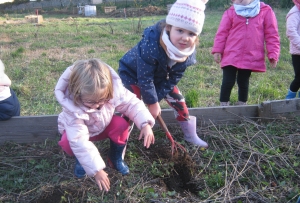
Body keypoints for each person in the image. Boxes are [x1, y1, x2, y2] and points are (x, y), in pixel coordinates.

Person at [118, 0, 209, 149]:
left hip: (159, 78)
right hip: (133, 74)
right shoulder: (152, 45)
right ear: (168, 27)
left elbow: (172, 79)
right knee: (130, 106)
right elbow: (144, 78)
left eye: (191, 33)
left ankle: (190, 135)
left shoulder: (187, 56)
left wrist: (155, 99)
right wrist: (152, 103)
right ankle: (120, 143)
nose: (185, 38)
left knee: (178, 100)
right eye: (180, 30)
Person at [55, 58, 155, 192]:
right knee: (68, 142)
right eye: (91, 102)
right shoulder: (72, 109)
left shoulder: (112, 91)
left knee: (121, 124)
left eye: (102, 100)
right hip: (80, 133)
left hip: (102, 125)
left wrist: (145, 124)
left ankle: (115, 158)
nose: (97, 105)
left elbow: (132, 104)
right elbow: (79, 141)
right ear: (77, 94)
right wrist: (97, 170)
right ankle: (82, 161)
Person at [212, 0, 280, 106]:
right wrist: (217, 50)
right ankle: (223, 106)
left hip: (251, 55)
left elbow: (271, 34)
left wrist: (273, 53)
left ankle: (242, 105)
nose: (236, 1)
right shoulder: (231, 12)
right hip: (231, 53)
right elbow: (222, 32)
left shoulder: (265, 11)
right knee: (228, 81)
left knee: (243, 81)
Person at [285, 0, 300, 99]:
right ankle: (288, 100)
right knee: (299, 78)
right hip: (298, 52)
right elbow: (291, 31)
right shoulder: (295, 12)